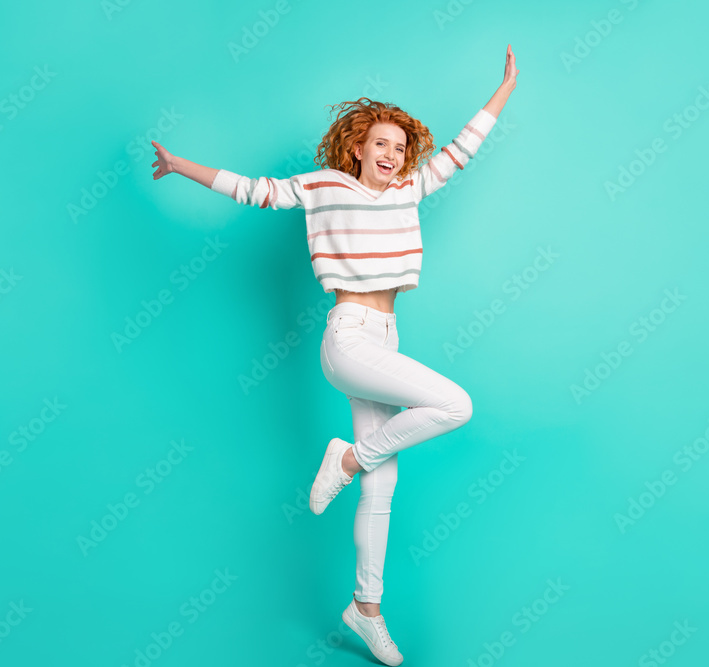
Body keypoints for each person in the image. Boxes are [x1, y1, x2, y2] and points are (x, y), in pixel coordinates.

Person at [150, 44, 518, 666]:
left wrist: (505, 88)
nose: (392, 155)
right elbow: (253, 190)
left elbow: (462, 150)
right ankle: (345, 458)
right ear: (357, 148)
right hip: (347, 338)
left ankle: (365, 609)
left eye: (400, 148)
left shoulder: (410, 189)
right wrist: (179, 165)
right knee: (454, 404)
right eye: (381, 144)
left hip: (387, 339)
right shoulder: (324, 188)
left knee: (385, 482)